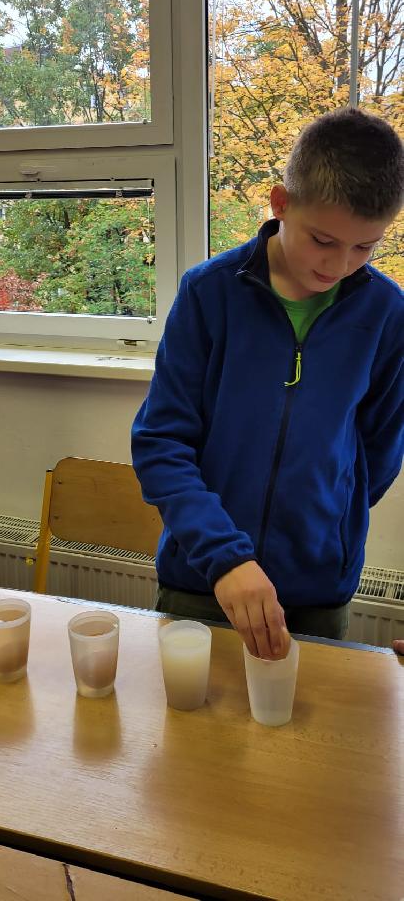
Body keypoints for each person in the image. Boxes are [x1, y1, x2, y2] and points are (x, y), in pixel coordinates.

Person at [132, 107, 404, 659]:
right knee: (194, 714)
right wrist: (226, 557)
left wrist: (331, 523)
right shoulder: (209, 294)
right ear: (280, 203)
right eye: (323, 240)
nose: (340, 265)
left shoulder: (387, 313)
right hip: (203, 580)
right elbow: (161, 443)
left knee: (309, 717)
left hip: (318, 589)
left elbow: (377, 453)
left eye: (365, 247)